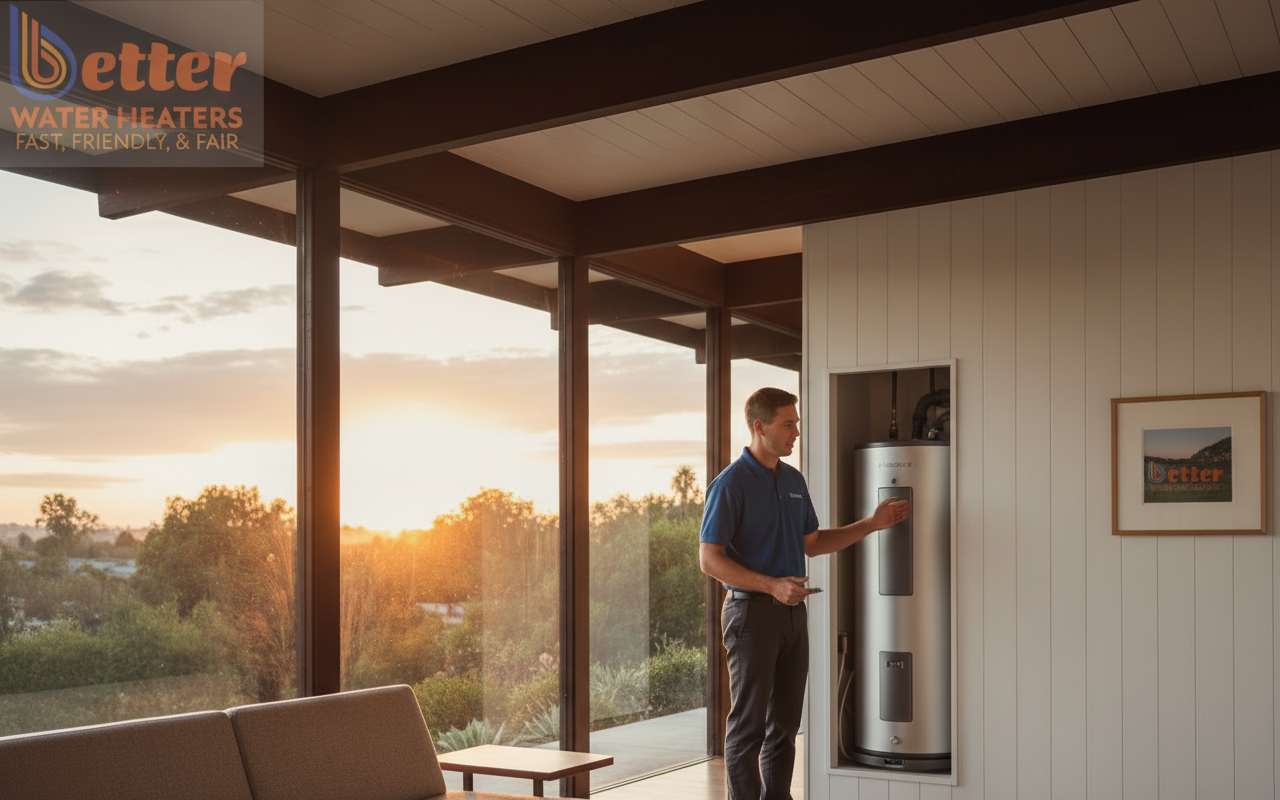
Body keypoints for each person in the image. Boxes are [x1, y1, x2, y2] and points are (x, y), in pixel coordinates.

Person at [699, 387, 910, 800]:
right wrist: (772, 585)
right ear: (760, 427)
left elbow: (811, 543)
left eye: (796, 424)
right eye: (788, 424)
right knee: (749, 727)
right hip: (750, 616)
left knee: (785, 725)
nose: (796, 432)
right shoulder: (730, 484)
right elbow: (709, 559)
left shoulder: (793, 480)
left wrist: (872, 524)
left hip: (792, 614)